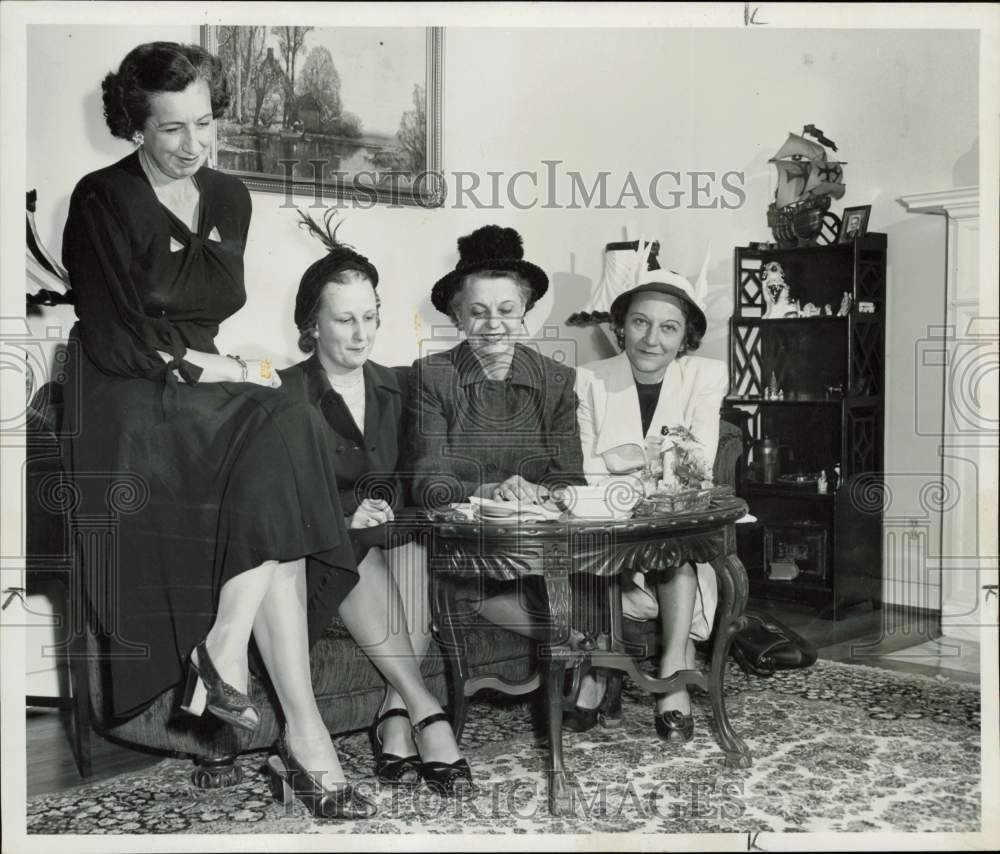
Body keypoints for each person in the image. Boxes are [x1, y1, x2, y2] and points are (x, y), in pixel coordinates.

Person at [61, 42, 374, 819]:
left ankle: (241, 663)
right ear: (135, 126)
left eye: (205, 124)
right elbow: (115, 334)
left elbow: (206, 319)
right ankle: (303, 739)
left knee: (288, 416)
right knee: (282, 422)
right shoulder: (100, 197)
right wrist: (215, 371)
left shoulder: (230, 196)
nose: (194, 146)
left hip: (199, 385)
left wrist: (229, 362)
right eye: (172, 130)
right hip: (123, 396)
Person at [278, 212, 471, 796]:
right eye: (344, 320)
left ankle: (394, 720)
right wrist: (343, 516)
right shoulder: (284, 394)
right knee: (365, 546)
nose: (361, 334)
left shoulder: (401, 385)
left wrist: (446, 496)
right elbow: (275, 496)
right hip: (322, 552)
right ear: (312, 324)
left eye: (370, 317)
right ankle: (425, 712)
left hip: (395, 539)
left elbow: (422, 472)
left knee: (412, 543)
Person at [574, 253, 727, 743]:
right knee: (595, 555)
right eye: (640, 322)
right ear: (621, 327)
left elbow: (696, 466)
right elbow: (585, 469)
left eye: (668, 328)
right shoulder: (590, 379)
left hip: (672, 528)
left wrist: (623, 459)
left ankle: (671, 674)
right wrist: (653, 456)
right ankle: (601, 671)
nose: (651, 339)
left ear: (686, 337)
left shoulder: (705, 376)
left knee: (675, 551)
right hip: (607, 525)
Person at [406, 224, 585, 635]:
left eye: (506, 310)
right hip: (466, 548)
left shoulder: (556, 379)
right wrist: (490, 491)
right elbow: (428, 482)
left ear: (525, 311)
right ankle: (578, 648)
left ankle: (575, 649)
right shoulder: (433, 376)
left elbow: (570, 478)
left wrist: (542, 492)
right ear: (457, 316)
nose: (493, 325)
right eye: (477, 311)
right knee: (466, 588)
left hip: (539, 546)